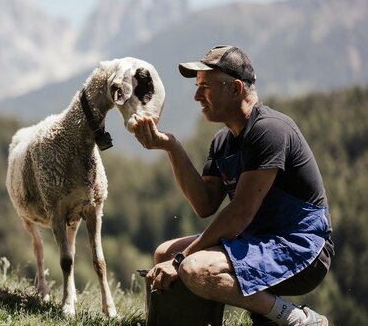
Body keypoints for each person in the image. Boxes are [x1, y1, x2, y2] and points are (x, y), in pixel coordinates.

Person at [132, 45, 334, 326]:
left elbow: (240, 214)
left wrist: (181, 261)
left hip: (302, 248)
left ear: (236, 88)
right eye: (197, 86)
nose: (196, 96)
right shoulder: (222, 141)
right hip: (259, 239)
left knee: (191, 266)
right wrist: (171, 148)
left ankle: (296, 320)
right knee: (164, 253)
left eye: (205, 87)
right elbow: (205, 205)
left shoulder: (269, 130)